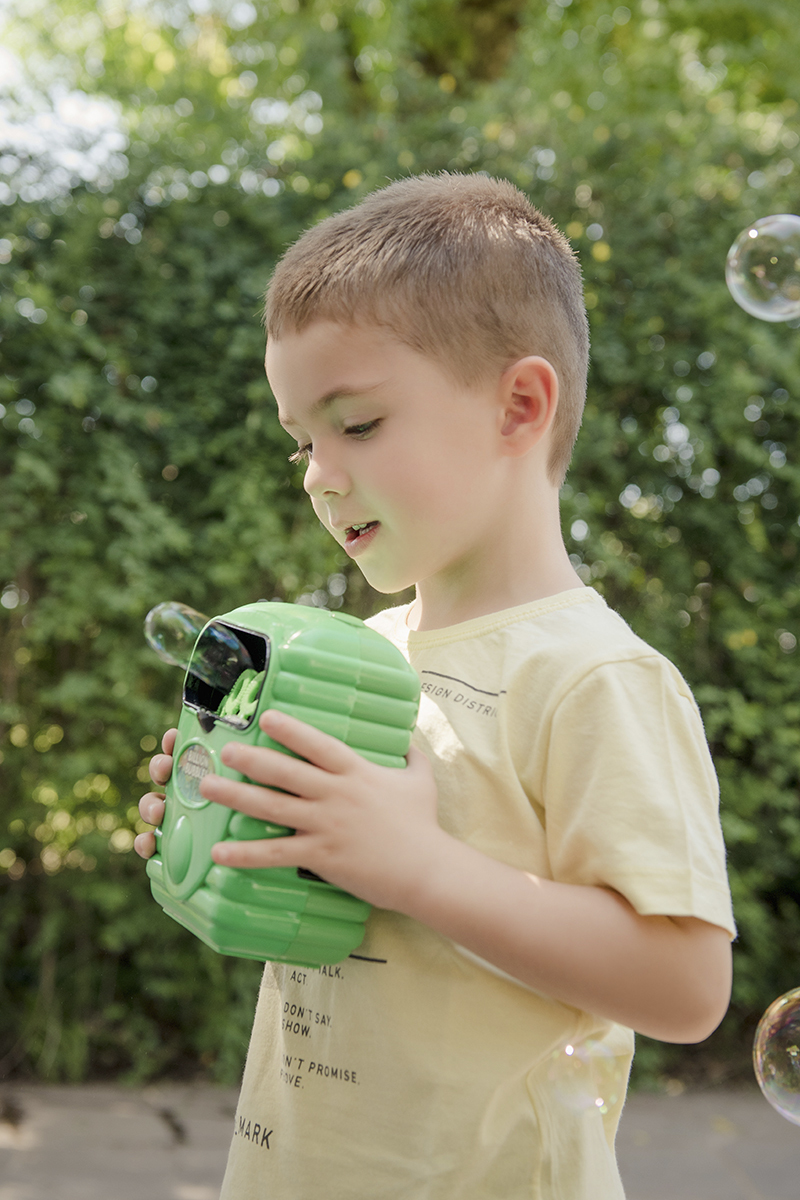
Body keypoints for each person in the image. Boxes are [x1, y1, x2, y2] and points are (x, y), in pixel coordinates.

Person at [135, 173, 734, 1199]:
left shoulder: (592, 677)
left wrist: (410, 864)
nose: (318, 473)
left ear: (518, 405)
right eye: (301, 442)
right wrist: (230, 828)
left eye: (355, 425)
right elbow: (351, 917)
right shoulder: (360, 654)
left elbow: (682, 986)